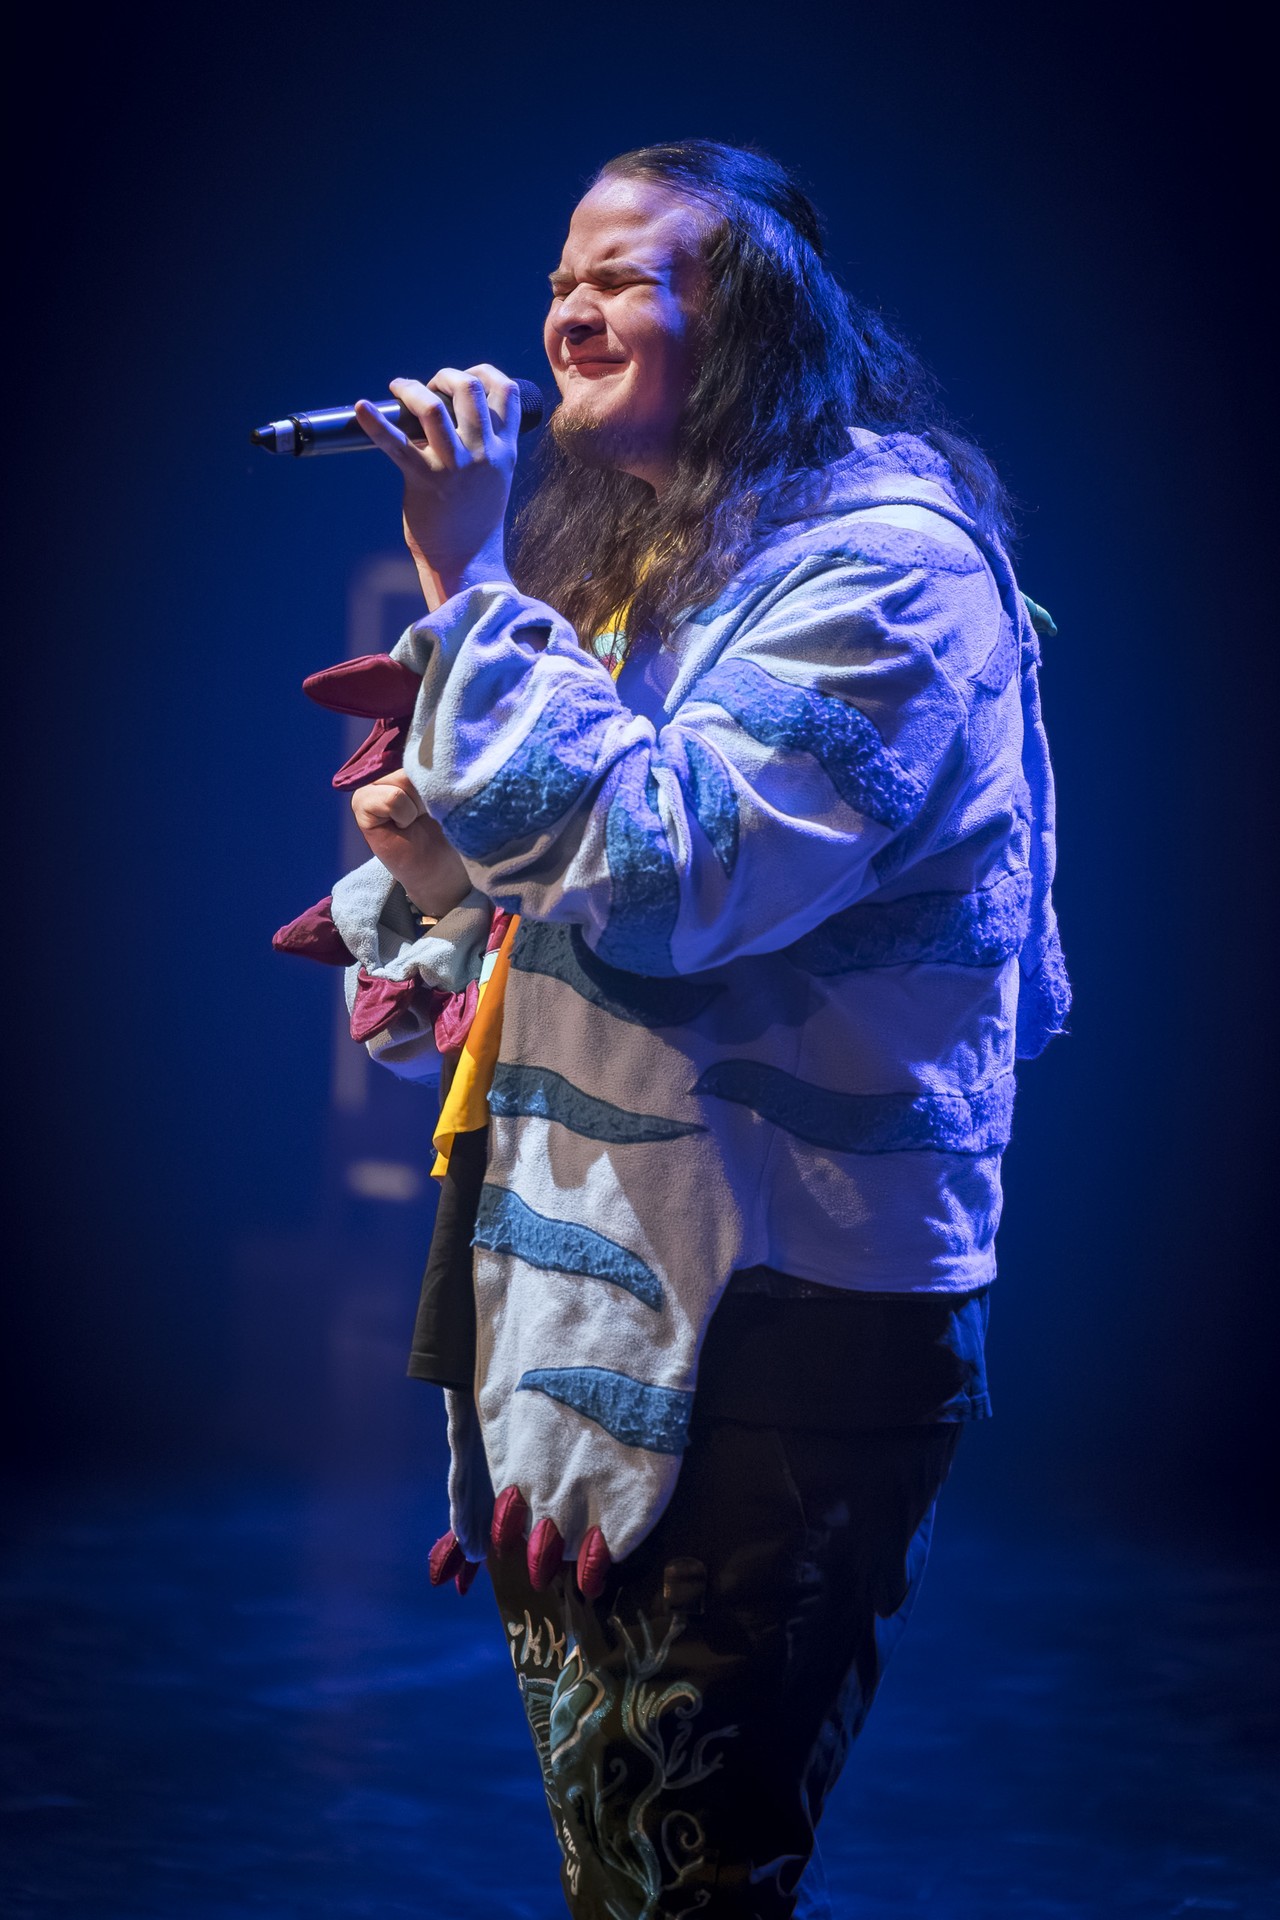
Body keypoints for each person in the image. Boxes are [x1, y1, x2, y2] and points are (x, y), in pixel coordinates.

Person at [304, 140, 1068, 1919]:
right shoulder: (675, 564)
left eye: (626, 276)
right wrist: (445, 875)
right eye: (559, 277)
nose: (568, 310)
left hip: (776, 1327)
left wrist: (463, 578)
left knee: (690, 1879)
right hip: (591, 1291)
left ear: (762, 324)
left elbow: (669, 874)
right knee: (621, 1867)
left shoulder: (894, 576)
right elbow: (572, 907)